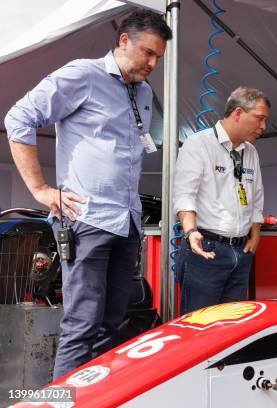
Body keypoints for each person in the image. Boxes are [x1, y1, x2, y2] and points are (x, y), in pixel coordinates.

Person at [4, 10, 172, 379]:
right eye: (148, 53)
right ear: (124, 41)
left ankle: (92, 396)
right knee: (82, 324)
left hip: (126, 222)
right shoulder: (82, 74)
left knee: (112, 322)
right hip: (88, 220)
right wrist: (40, 189)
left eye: (159, 57)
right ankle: (63, 401)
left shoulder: (142, 91)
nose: (153, 63)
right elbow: (18, 119)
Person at [173, 87, 269, 314]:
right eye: (259, 119)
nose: (263, 127)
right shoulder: (199, 144)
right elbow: (184, 195)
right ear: (238, 113)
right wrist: (190, 231)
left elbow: (256, 197)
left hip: (241, 251)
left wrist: (255, 235)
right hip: (207, 250)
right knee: (198, 325)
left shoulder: (251, 152)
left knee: (231, 328)